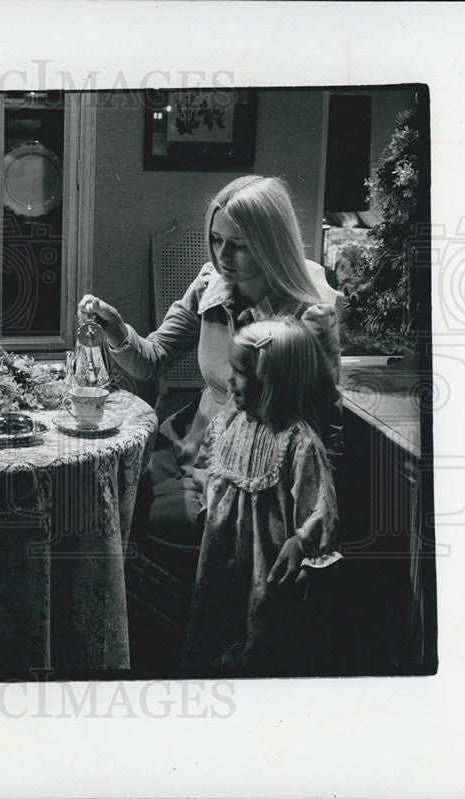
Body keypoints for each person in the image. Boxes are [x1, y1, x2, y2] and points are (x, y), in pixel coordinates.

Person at [78, 175, 343, 646]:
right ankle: (120, 635)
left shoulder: (307, 315)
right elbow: (153, 357)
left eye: (238, 245)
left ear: (271, 241)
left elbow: (327, 430)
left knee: (139, 530)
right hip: (192, 439)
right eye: (216, 239)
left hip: (256, 470)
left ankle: (173, 640)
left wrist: (309, 537)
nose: (223, 256)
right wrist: (118, 330)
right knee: (100, 502)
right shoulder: (211, 285)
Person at [180, 317, 341, 675]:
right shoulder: (230, 420)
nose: (229, 379)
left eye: (240, 372)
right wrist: (208, 492)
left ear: (273, 381)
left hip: (264, 566)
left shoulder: (298, 443)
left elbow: (320, 509)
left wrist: (302, 544)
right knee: (216, 626)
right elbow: (209, 463)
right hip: (220, 554)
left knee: (258, 643)